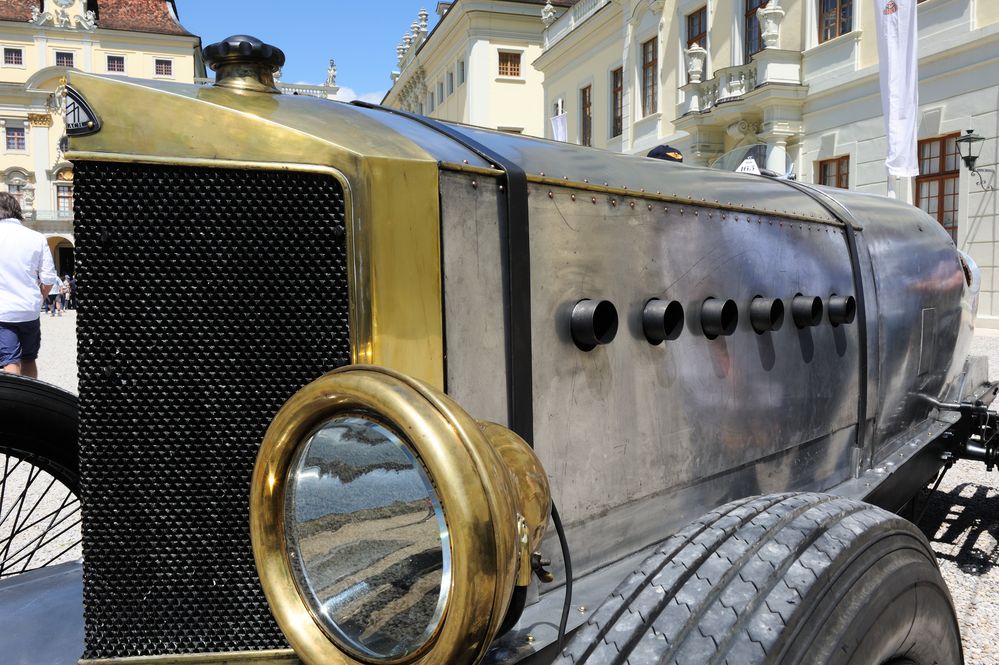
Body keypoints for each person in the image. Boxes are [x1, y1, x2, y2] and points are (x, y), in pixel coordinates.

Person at [0, 192, 57, 378]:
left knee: (9, 360)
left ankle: (14, 405)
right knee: (29, 358)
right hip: (29, 310)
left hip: (3, 311)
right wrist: (38, 298)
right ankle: (30, 404)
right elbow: (48, 278)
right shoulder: (37, 237)